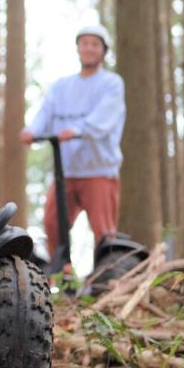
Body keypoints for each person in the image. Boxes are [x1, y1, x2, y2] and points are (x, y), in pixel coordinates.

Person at [19, 25, 126, 264]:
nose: (89, 48)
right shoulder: (61, 86)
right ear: (78, 48)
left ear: (103, 50)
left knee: (104, 232)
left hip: (98, 170)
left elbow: (103, 118)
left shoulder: (111, 84)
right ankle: (61, 273)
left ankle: (105, 275)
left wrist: (78, 130)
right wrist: (32, 131)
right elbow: (45, 114)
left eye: (94, 44)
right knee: (53, 223)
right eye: (84, 43)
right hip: (65, 171)